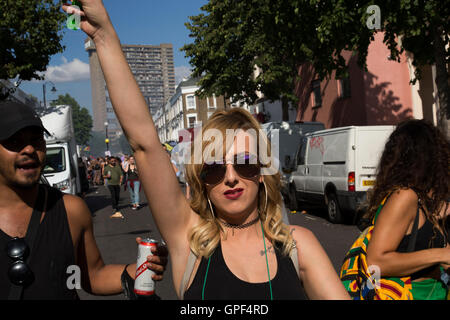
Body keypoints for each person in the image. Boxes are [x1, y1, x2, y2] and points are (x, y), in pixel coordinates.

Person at [64, 1, 350, 300]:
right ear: (201, 178)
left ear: (263, 172)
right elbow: (145, 144)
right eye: (214, 166)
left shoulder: (297, 245)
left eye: (245, 163)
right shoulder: (188, 241)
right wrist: (104, 35)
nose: (231, 177)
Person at [0, 100, 167, 300]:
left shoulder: (71, 210)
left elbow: (93, 276)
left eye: (36, 140)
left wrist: (141, 268)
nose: (29, 149)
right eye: (14, 142)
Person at [361, 119, 450, 300]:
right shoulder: (404, 196)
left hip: (432, 292)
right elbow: (376, 262)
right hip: (410, 294)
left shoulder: (419, 199)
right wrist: (440, 255)